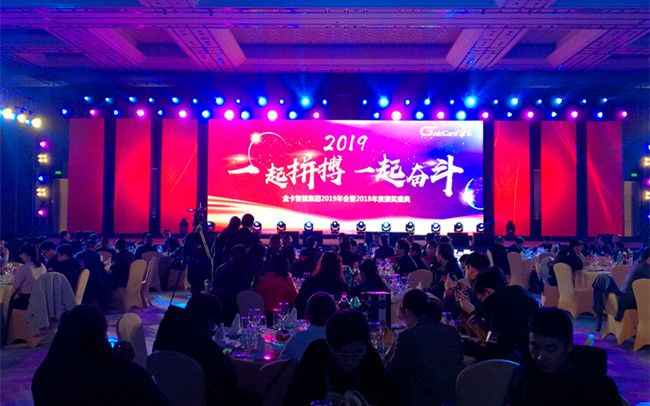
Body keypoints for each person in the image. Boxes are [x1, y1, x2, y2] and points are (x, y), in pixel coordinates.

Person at [32, 305, 172, 406]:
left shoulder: (44, 377)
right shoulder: (128, 377)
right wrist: (119, 363)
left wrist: (115, 359)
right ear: (100, 339)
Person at [153, 293, 260, 405]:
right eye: (215, 324)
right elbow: (229, 383)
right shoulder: (204, 346)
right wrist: (226, 360)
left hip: (168, 398)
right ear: (209, 321)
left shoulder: (166, 332)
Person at [504, 307, 621, 406]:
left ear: (569, 346)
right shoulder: (523, 375)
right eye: (535, 347)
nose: (540, 357)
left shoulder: (596, 386)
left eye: (550, 349)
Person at [284, 310, 394, 406]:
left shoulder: (371, 359)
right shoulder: (316, 355)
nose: (349, 361)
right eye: (342, 354)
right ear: (329, 346)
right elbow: (291, 401)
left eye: (356, 354)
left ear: (364, 346)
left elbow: (388, 399)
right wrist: (320, 401)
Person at [384, 289, 464, 406]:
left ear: (407, 312)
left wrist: (391, 347)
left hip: (422, 400)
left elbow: (389, 372)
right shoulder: (451, 331)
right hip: (454, 399)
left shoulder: (408, 337)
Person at [459, 268, 539, 362]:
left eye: (482, 299)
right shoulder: (521, 299)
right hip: (530, 358)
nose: (483, 303)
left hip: (513, 365)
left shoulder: (500, 312)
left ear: (487, 292)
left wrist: (465, 346)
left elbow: (492, 353)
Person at [280, 292, 337, 360]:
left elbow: (282, 364)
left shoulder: (296, 340)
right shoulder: (340, 340)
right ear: (334, 314)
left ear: (307, 314)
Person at [295, 252, 348, 318]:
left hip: (310, 319)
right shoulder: (342, 286)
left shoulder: (309, 282)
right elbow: (345, 310)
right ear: (339, 266)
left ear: (321, 264)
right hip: (333, 321)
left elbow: (299, 304)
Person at [442, 251, 491, 319]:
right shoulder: (490, 286)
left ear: (470, 269)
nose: (464, 271)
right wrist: (466, 291)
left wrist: (449, 290)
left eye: (465, 268)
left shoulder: (478, 292)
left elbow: (449, 313)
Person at [11, 243, 47, 310]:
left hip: (27, 299)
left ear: (25, 255)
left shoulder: (24, 267)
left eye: (21, 255)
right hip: (42, 298)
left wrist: (15, 275)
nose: (21, 257)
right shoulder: (42, 266)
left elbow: (16, 285)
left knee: (10, 303)